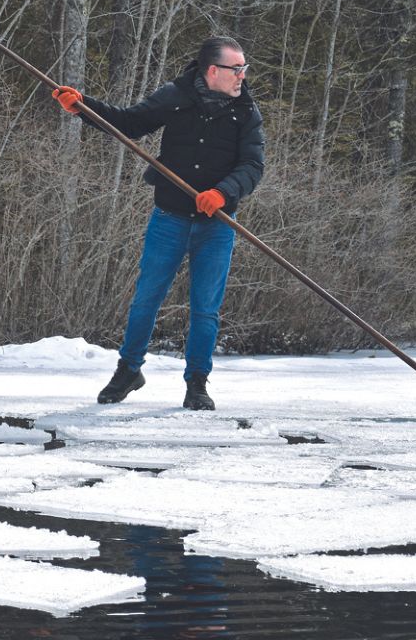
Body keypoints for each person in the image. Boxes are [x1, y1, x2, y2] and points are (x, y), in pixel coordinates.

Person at [51, 37, 263, 410]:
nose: (242, 76)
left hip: (216, 226)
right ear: (213, 70)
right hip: (170, 218)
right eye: (237, 69)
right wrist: (83, 107)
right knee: (146, 299)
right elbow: (129, 123)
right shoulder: (176, 96)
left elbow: (252, 166)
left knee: (205, 308)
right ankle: (129, 370)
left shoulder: (245, 112)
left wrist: (223, 192)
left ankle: (197, 383)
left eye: (243, 68)